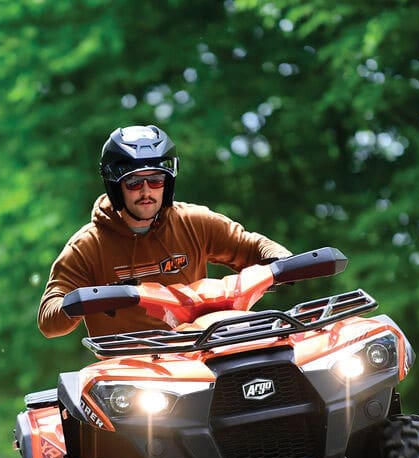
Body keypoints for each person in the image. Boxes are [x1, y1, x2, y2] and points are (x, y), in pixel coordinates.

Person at [38, 124, 292, 338]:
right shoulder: (87, 246)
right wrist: (84, 301)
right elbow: (49, 319)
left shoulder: (193, 221)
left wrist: (282, 260)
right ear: (115, 186)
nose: (147, 191)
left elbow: (250, 246)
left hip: (200, 347)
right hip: (131, 366)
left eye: (156, 180)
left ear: (167, 184)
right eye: (135, 182)